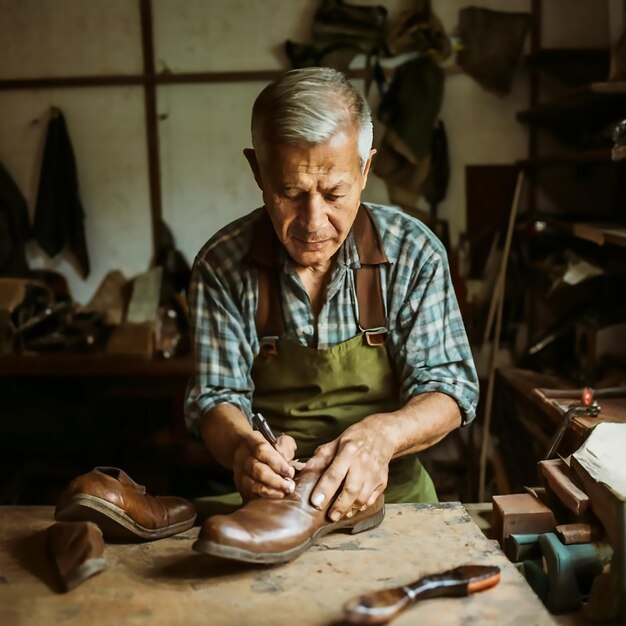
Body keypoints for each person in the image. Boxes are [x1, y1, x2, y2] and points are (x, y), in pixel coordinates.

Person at [185, 67, 478, 522]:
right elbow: (215, 396)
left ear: (365, 170)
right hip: (276, 504)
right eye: (290, 192)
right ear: (257, 170)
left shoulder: (414, 253)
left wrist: (382, 437)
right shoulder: (222, 266)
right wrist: (244, 449)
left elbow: (451, 389)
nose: (313, 221)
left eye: (335, 192)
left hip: (396, 499)